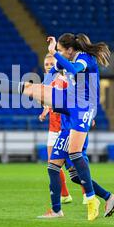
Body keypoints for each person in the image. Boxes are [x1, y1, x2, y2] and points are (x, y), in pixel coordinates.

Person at [0, 33, 114, 221]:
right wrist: (42, 94)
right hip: (69, 100)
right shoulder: (66, 58)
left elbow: (72, 69)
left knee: (75, 154)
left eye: (62, 51)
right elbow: (50, 77)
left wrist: (55, 53)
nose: (60, 54)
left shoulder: (84, 58)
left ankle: (91, 199)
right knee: (30, 89)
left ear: (70, 50)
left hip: (85, 106)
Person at [38, 53, 73, 204]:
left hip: (65, 127)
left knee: (72, 164)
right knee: (52, 163)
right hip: (53, 128)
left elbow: (73, 101)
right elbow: (47, 103)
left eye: (51, 64)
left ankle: (87, 194)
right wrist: (45, 110)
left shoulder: (65, 81)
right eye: (46, 64)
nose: (48, 67)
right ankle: (65, 195)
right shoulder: (46, 83)